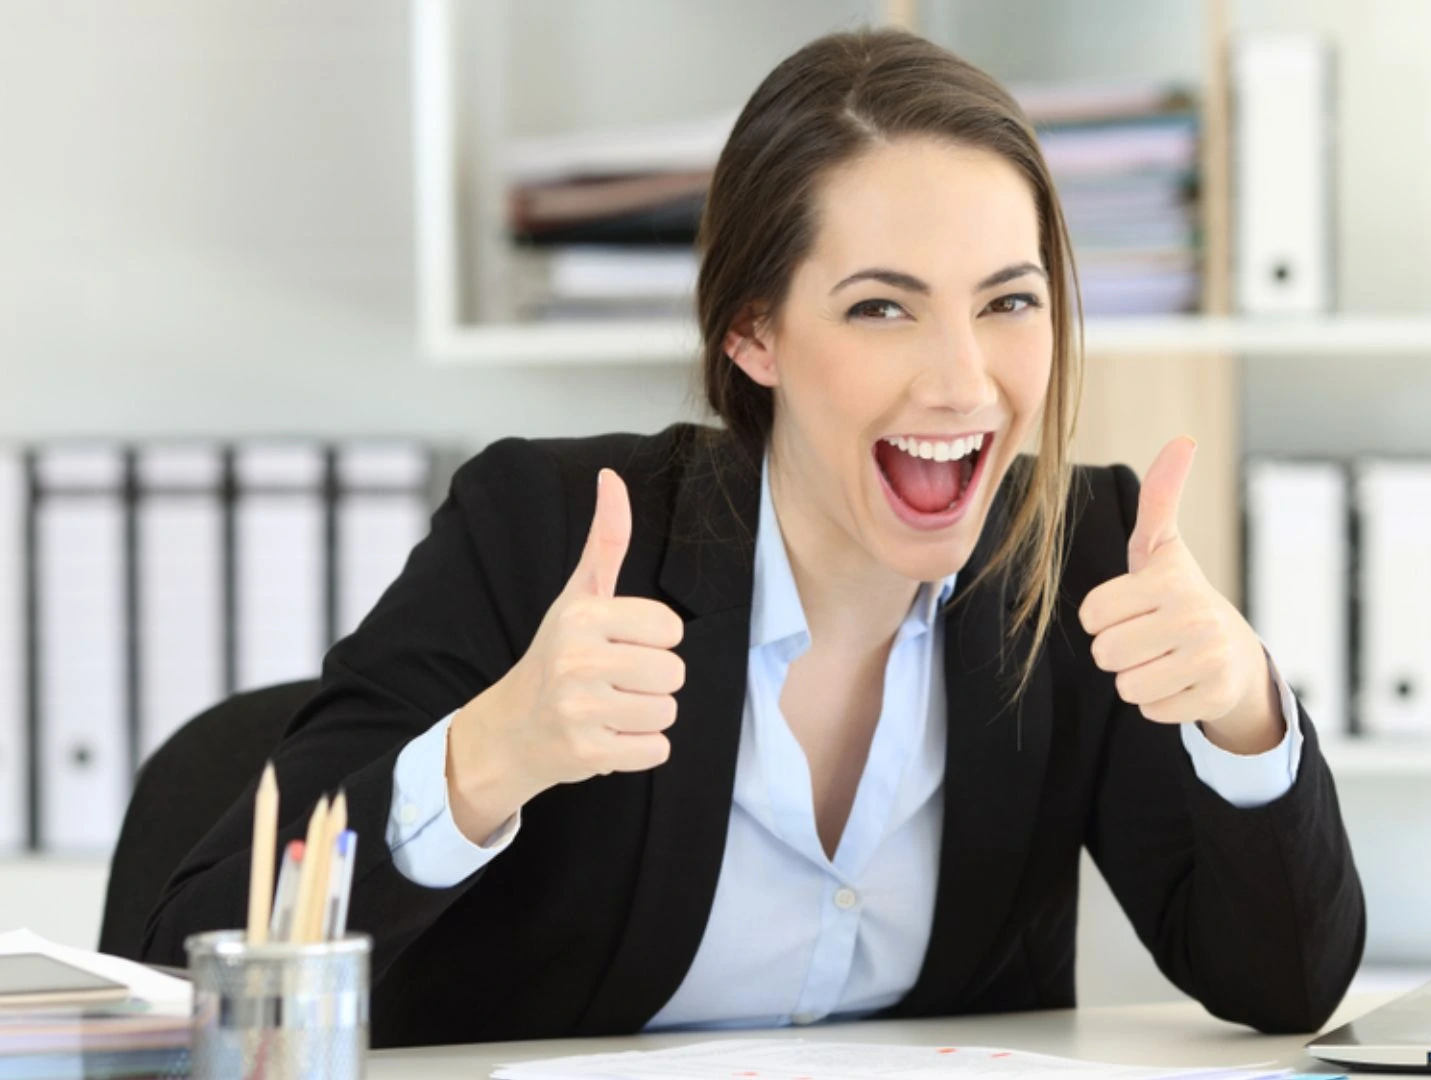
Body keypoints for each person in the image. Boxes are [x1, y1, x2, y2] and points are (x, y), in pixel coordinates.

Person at [141, 26, 1365, 1047]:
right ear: (753, 335)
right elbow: (182, 975)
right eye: (882, 307)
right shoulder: (550, 534)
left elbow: (1285, 987)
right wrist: (486, 759)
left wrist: (1244, 713)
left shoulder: (1078, 552)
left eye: (1009, 302)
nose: (963, 380)